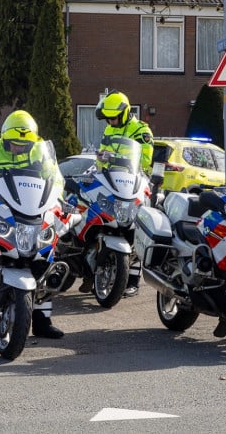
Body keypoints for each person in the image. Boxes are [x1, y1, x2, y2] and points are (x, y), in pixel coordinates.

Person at [0, 110, 65, 339]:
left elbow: (55, 176)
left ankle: (42, 321)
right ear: (5, 139)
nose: (19, 148)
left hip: (32, 209)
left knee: (45, 259)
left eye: (24, 145)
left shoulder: (40, 152)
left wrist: (58, 195)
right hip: (4, 207)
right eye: (14, 144)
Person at [89, 90, 154, 298]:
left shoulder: (141, 130)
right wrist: (100, 160)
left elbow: (145, 160)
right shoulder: (109, 129)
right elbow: (101, 158)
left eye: (114, 117)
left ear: (125, 113)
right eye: (108, 117)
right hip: (111, 182)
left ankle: (133, 280)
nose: (111, 120)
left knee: (136, 229)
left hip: (135, 182)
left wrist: (115, 157)